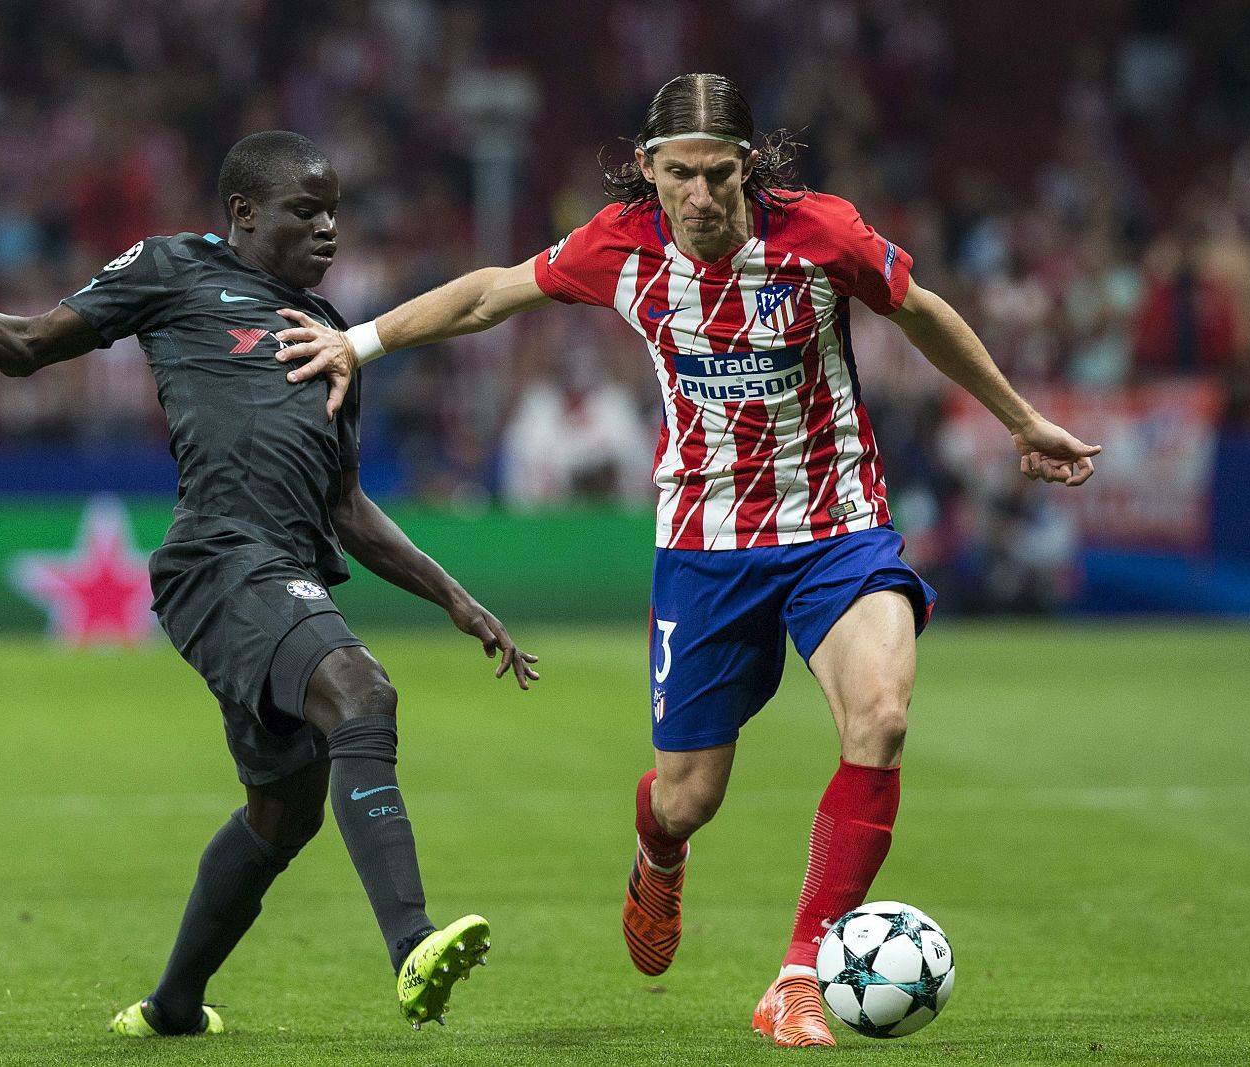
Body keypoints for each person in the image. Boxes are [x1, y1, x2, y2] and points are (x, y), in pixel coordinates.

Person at [275, 73, 1101, 1048]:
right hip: (704, 550)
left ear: (748, 167)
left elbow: (917, 309)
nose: (700, 196)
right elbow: (490, 295)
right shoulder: (618, 246)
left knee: (878, 716)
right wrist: (357, 340)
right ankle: (658, 850)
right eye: (679, 176)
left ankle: (800, 970)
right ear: (646, 169)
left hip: (836, 527)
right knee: (687, 794)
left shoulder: (821, 236)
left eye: (718, 174)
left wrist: (1019, 417)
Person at [0, 130, 538, 1036]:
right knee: (361, 691)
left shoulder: (332, 333)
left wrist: (454, 594)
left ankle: (172, 1005)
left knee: (284, 808)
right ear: (246, 213)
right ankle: (412, 940)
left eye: (336, 209)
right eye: (309, 210)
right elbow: (25, 347)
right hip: (219, 558)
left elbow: (345, 505)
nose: (330, 228)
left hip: (280, 573)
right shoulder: (174, 268)